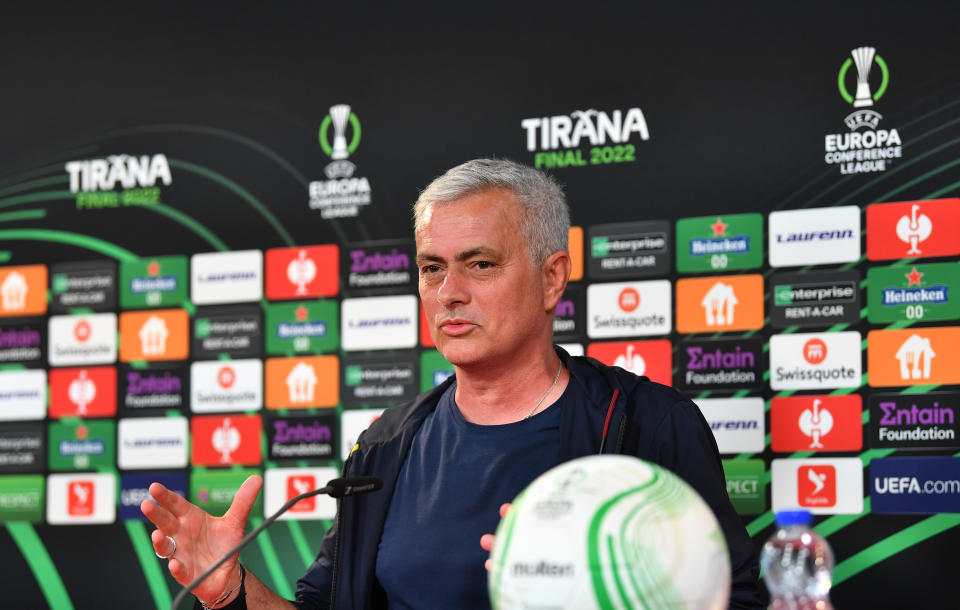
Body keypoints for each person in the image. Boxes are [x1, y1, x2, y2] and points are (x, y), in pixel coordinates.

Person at [143, 158, 763, 609]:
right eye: (432, 269)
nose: (449, 294)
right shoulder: (385, 444)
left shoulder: (646, 425)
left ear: (553, 279)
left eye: (480, 265)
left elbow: (734, 601)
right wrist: (233, 590)